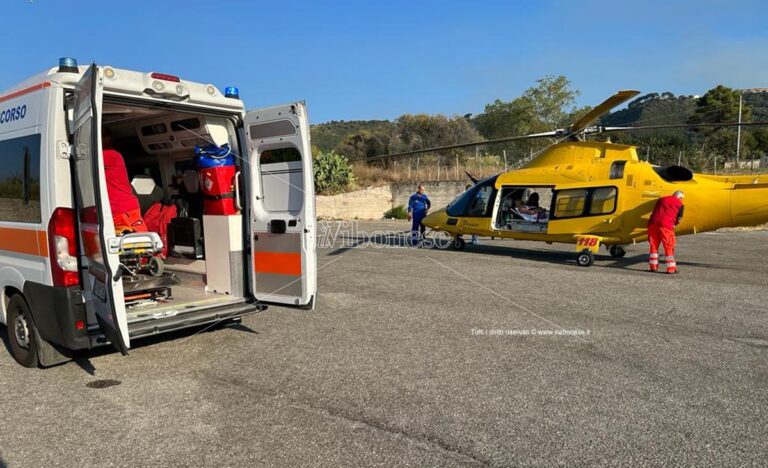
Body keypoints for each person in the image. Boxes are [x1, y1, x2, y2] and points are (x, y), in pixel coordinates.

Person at [102, 128, 147, 234]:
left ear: (107, 139)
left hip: (124, 210)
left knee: (141, 245)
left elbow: (86, 157)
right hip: (116, 211)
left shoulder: (111, 155)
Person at [648, 190, 684, 274]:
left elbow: (656, 210)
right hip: (666, 226)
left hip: (653, 223)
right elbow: (679, 219)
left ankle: (653, 267)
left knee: (653, 245)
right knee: (668, 246)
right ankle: (671, 268)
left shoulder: (662, 199)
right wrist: (675, 224)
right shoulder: (680, 204)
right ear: (681, 197)